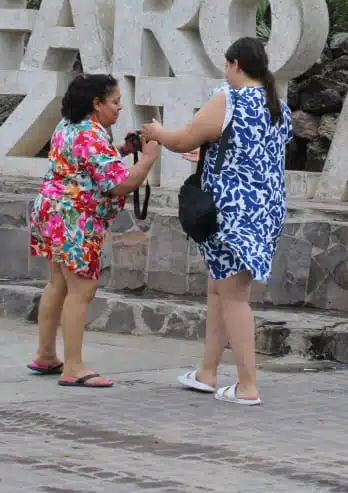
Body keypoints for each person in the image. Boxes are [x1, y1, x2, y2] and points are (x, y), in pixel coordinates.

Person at [141, 37, 293, 407]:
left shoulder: (230, 98)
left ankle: (247, 385)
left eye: (227, 65)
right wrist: (209, 154)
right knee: (220, 290)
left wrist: (157, 132)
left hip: (229, 211)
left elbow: (182, 138)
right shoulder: (279, 107)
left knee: (235, 297)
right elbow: (251, 153)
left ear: (235, 64)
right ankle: (207, 373)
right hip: (265, 208)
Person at [28, 74, 160, 388]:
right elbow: (120, 184)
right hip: (76, 219)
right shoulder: (92, 134)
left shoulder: (68, 125)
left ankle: (46, 354)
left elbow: (90, 160)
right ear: (96, 104)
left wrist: (123, 151)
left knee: (57, 284)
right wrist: (149, 159)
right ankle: (73, 367)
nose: (119, 107)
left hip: (50, 211)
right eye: (114, 101)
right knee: (81, 291)